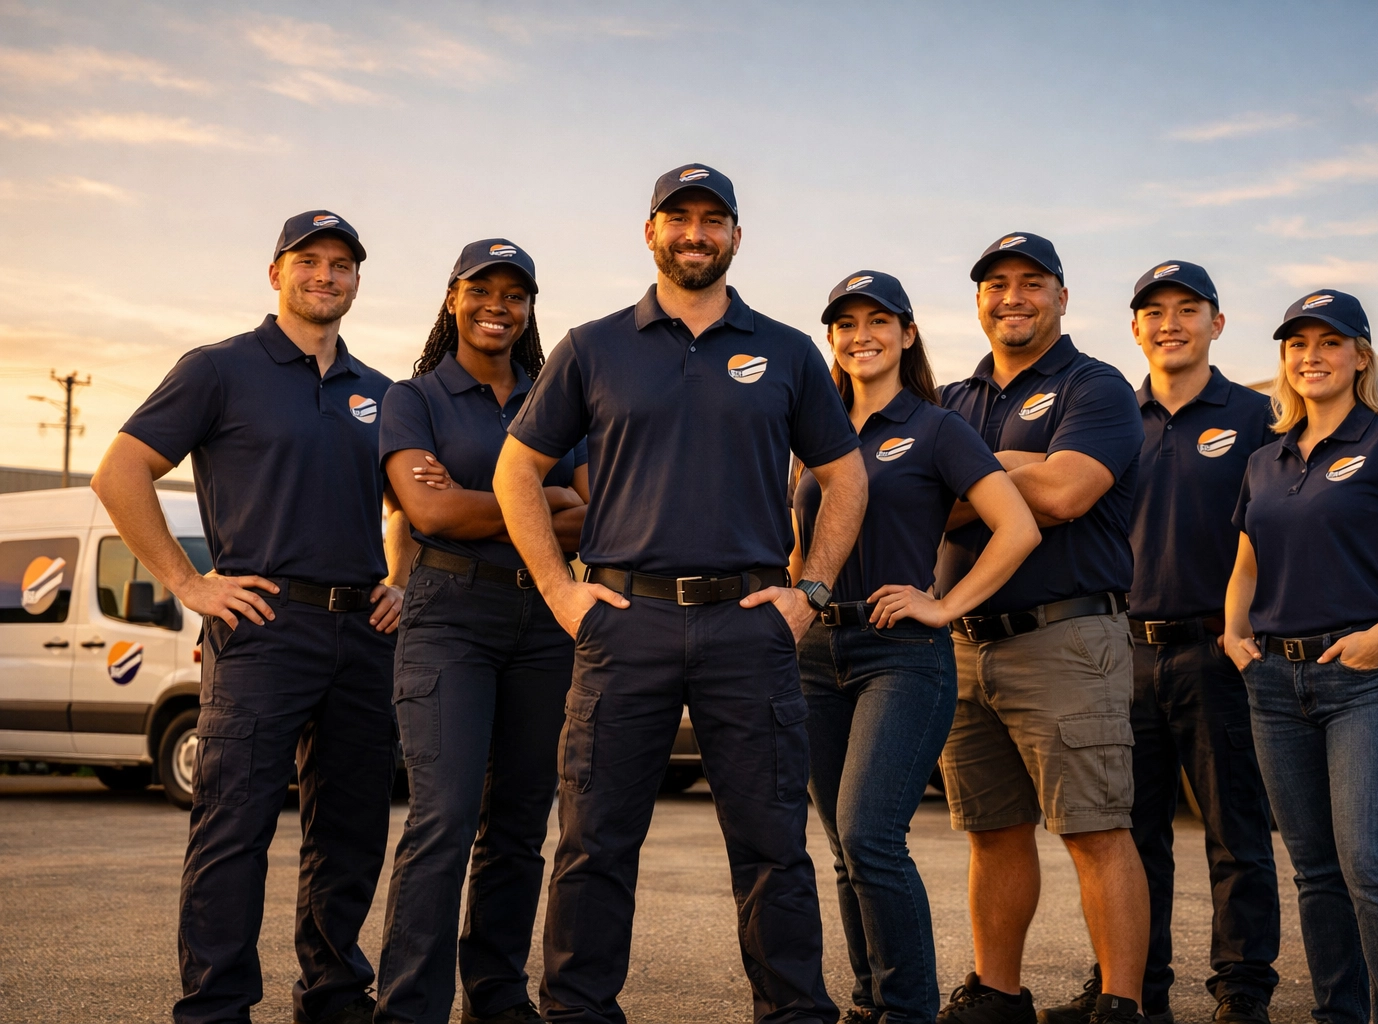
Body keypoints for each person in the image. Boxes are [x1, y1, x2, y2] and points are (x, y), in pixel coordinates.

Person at [494, 163, 868, 1024]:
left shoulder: (785, 350)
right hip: (626, 622)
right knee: (595, 844)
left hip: (749, 624)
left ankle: (794, 1013)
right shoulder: (593, 347)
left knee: (774, 846)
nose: (695, 233)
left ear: (737, 235)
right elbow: (517, 469)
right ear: (651, 232)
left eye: (712, 220)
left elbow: (845, 478)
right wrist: (560, 591)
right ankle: (578, 1012)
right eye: (679, 219)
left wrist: (809, 589)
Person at [91, 211, 403, 1024]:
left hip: (363, 636)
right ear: (276, 274)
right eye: (309, 261)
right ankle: (215, 1008)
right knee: (234, 831)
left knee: (350, 832)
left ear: (357, 282)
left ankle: (334, 1001)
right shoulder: (220, 369)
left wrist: (400, 577)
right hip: (263, 629)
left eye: (342, 265)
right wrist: (188, 583)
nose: (325, 275)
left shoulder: (381, 393)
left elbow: (410, 502)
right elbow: (120, 472)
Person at [792, 272, 1039, 1024]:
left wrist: (943, 605)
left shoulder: (936, 427)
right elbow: (799, 548)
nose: (861, 334)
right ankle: (869, 1003)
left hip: (899, 655)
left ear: (906, 334)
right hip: (813, 659)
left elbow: (1018, 527)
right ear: (831, 339)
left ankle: (908, 1010)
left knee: (871, 835)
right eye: (845, 324)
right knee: (841, 848)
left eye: (878, 321)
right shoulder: (813, 433)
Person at [1042, 261, 1280, 1024]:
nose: (1170, 322)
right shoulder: (1111, 416)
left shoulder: (1258, 417)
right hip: (1117, 650)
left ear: (1218, 322)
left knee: (1234, 832)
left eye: (1188, 308)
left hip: (1219, 653)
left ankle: (1242, 991)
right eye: (1154, 311)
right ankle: (1132, 989)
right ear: (1135, 327)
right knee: (1126, 834)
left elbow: (1286, 532)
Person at [1223, 291, 1378, 1024]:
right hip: (1274, 683)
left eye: (1330, 342)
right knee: (1317, 873)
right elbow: (1247, 563)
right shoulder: (1267, 459)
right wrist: (1235, 636)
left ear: (1361, 355)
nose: (1312, 356)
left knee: (1371, 867)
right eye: (1298, 345)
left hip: (1367, 680)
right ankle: (1340, 1015)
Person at [932, 232, 1149, 1024]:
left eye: (1032, 282)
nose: (1013, 296)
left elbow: (1064, 495)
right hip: (963, 644)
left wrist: (976, 475)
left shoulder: (1097, 388)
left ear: (1062, 296)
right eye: (996, 284)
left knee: (1094, 830)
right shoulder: (951, 399)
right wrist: (1013, 466)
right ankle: (999, 993)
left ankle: (1120, 1005)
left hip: (1065, 641)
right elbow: (919, 499)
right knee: (991, 831)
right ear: (979, 300)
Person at [373, 239, 590, 1024]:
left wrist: (484, 505)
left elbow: (597, 515)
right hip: (448, 619)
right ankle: (407, 1009)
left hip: (544, 619)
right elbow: (428, 513)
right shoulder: (414, 398)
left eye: (516, 294)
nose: (499, 305)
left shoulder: (556, 398)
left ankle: (497, 999)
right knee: (445, 814)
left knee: (521, 820)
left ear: (530, 308)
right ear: (453, 299)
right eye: (482, 290)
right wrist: (545, 504)